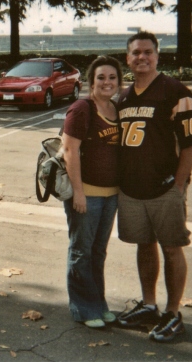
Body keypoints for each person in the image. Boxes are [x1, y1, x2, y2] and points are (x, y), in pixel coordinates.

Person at [116, 31, 192, 342]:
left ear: (157, 55)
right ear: (128, 58)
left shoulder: (175, 91)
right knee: (144, 245)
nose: (142, 57)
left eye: (147, 52)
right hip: (132, 189)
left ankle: (173, 312)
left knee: (171, 248)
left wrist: (179, 186)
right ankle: (149, 304)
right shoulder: (123, 97)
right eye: (136, 52)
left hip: (165, 187)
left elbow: (191, 144)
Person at [61, 55, 122, 328]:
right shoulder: (82, 108)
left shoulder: (116, 109)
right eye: (101, 77)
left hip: (111, 195)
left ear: (119, 82)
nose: (107, 82)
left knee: (98, 252)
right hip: (87, 193)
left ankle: (99, 304)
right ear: (91, 81)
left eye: (112, 77)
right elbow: (69, 150)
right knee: (81, 251)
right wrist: (78, 192)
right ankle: (84, 309)